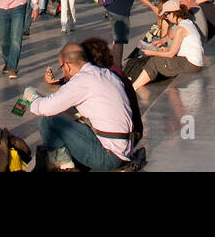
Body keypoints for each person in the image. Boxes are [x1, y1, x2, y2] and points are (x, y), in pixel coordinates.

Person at [25, 43, 134, 171]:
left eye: (61, 68)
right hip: (124, 149)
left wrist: (33, 98)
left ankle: (64, 165)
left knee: (48, 120)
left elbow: (45, 108)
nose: (63, 72)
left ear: (67, 65)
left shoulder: (82, 81)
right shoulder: (106, 74)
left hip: (108, 157)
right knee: (64, 115)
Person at [131, 0, 204, 90]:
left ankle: (133, 87)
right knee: (158, 59)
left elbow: (171, 54)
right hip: (194, 63)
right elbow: (176, 47)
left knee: (155, 61)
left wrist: (151, 53)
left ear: (174, 13)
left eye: (166, 15)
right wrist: (165, 49)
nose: (166, 18)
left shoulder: (181, 28)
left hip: (190, 64)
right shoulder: (187, 23)